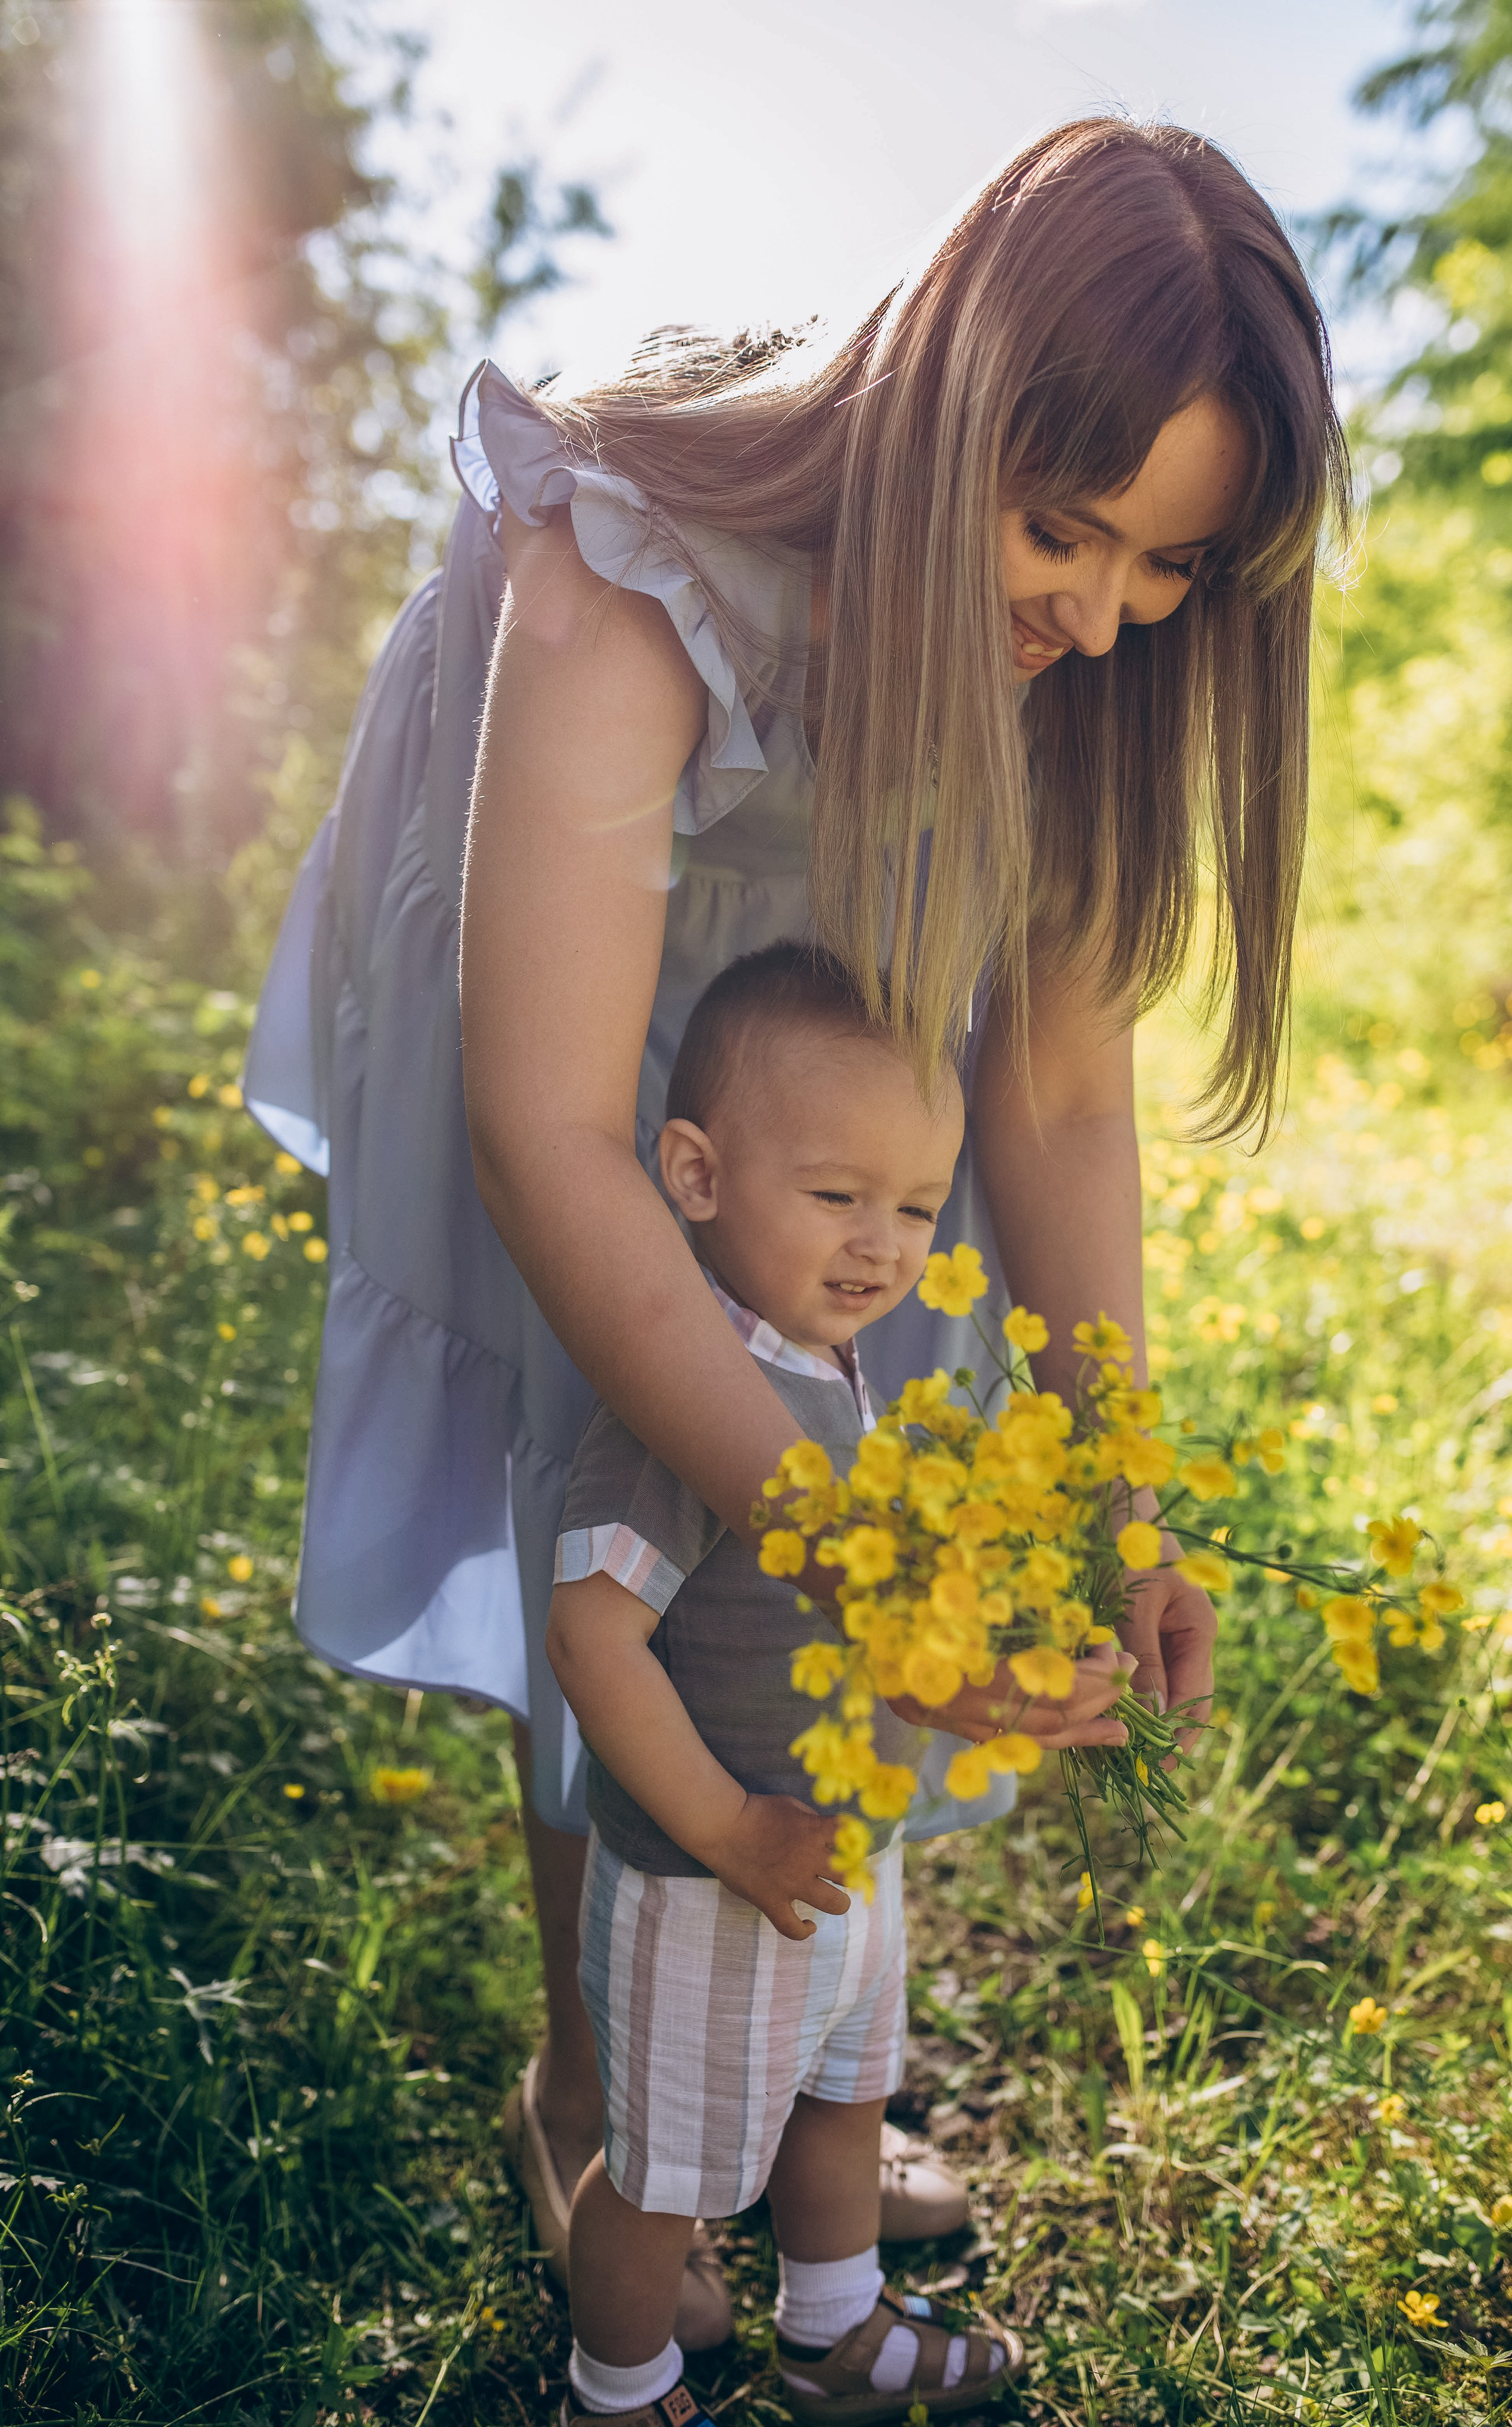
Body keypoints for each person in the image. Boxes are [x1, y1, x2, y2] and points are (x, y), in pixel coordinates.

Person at [243, 115, 1346, 2341]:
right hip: (560, 988)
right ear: (948, 409)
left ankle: (779, 2075)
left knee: (838, 1357)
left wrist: (1115, 1483)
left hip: (823, 1001)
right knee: (631, 1458)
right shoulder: (633, 559)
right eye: (1060, 531)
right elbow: (554, 1139)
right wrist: (857, 1545)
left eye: (1166, 571)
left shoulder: (1088, 676)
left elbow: (1050, 1083)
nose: (1104, 612)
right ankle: (598, 2067)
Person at [546, 941, 1135, 2424]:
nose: (883, 1245)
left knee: (842, 2098)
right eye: (834, 1197)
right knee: (663, 2172)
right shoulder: (684, 1398)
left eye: (918, 1207)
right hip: (711, 1869)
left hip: (834, 1851)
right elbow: (589, 1639)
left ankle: (836, 2327)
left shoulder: (835, 1370)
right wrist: (729, 1831)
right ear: (693, 1174)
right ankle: (615, 2387)